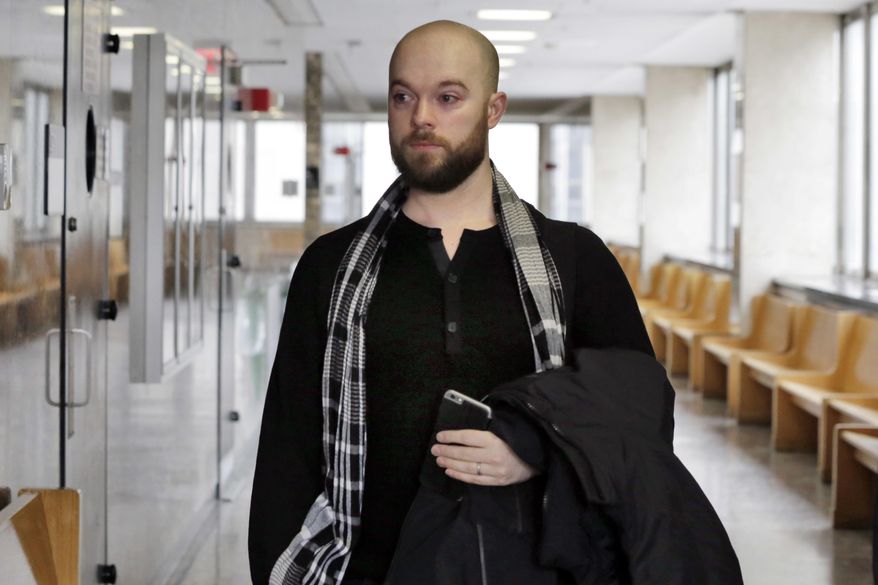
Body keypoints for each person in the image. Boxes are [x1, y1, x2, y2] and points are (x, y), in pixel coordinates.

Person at [248, 20, 654, 585]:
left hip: (536, 569)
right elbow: (286, 454)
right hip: (365, 571)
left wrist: (538, 452)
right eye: (403, 96)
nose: (421, 118)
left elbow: (638, 415)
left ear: (494, 109)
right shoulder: (329, 265)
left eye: (448, 97)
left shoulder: (576, 260)